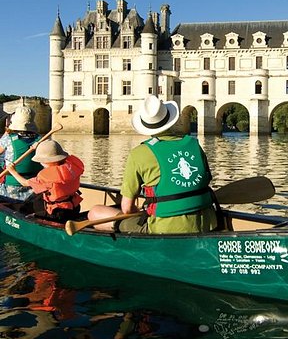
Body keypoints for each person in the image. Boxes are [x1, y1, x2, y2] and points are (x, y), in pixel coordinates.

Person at [88, 95, 218, 234]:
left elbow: (126, 208)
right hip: (208, 222)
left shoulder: (138, 153)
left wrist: (140, 212)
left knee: (94, 213)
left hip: (164, 228)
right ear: (170, 119)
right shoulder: (194, 145)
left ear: (145, 125)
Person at [6, 140, 84, 222]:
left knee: (28, 210)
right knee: (38, 197)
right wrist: (37, 147)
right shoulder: (71, 166)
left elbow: (24, 183)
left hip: (57, 213)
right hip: (74, 207)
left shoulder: (45, 177)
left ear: (45, 161)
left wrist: (12, 171)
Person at [0, 106, 42, 201]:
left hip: (11, 188)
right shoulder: (40, 139)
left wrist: (6, 132)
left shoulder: (8, 138)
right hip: (34, 188)